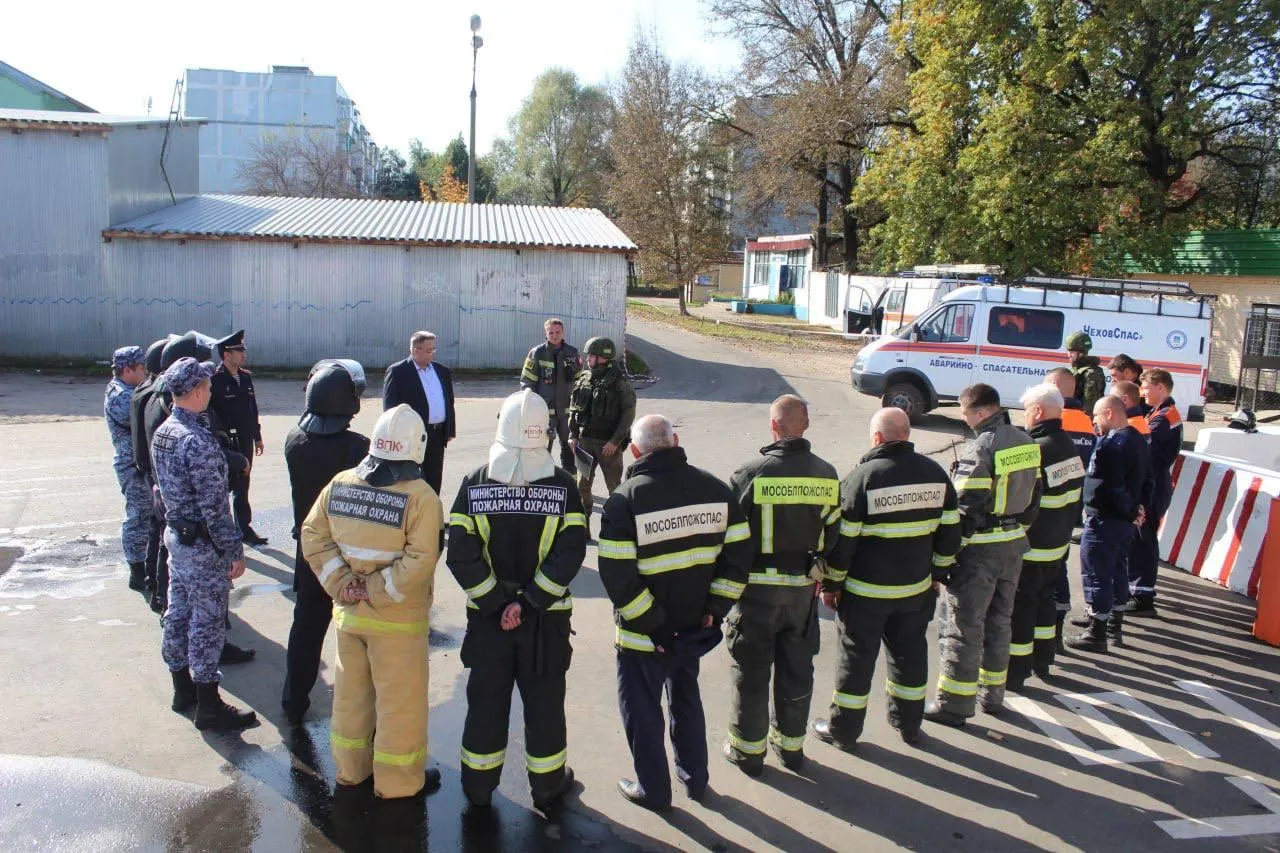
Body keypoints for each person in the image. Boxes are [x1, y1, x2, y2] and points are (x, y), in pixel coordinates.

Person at [598, 414, 752, 811]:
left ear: (634, 450)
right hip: (693, 631)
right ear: (676, 440)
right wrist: (714, 611)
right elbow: (738, 561)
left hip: (643, 638)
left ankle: (654, 790)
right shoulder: (717, 491)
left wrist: (657, 628)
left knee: (642, 712)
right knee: (686, 700)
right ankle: (695, 780)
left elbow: (618, 579)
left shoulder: (623, 501)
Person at [447, 389, 587, 814]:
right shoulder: (564, 487)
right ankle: (547, 787)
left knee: (486, 703)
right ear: (542, 432)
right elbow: (571, 553)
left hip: (489, 623)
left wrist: (496, 604)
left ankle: (478, 787)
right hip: (544, 622)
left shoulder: (475, 482)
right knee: (545, 705)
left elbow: (460, 553)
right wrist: (526, 605)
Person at [302, 403, 444, 802]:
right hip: (397, 623)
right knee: (399, 707)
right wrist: (376, 590)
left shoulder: (342, 483)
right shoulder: (420, 497)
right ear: (415, 446)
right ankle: (397, 785)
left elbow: (313, 535)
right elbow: (420, 559)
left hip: (350, 618)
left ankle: (351, 772)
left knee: (350, 700)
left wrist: (343, 583)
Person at [814, 407, 960, 750]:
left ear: (877, 438)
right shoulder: (935, 474)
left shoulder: (861, 478)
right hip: (915, 591)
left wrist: (832, 585)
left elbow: (842, 544)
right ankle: (909, 725)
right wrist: (937, 575)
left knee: (856, 660)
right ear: (906, 435)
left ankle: (844, 731)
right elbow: (952, 534)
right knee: (910, 656)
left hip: (865, 594)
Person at [722, 395, 841, 775]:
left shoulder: (750, 473)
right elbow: (836, 535)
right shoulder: (826, 474)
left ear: (774, 426)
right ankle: (791, 749)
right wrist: (828, 581)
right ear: (805, 424)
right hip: (802, 594)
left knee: (752, 672)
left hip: (756, 592)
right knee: (797, 669)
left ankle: (747, 753)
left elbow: (729, 537)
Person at [150, 357, 258, 731]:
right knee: (208, 622)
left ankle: (183, 691)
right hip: (201, 546)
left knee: (177, 614)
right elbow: (215, 508)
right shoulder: (197, 442)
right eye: (208, 387)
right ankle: (208, 705)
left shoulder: (165, 431)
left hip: (177, 539)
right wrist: (233, 551)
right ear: (196, 390)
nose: (211, 392)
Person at [925, 384, 1040, 727]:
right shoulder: (1027, 442)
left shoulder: (981, 448)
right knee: (1000, 620)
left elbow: (966, 510)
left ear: (980, 412)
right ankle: (992, 695)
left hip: (980, 550)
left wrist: (945, 556)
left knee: (963, 624)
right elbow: (1035, 498)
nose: (963, 419)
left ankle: (954, 704)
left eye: (963, 412)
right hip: (1013, 544)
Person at [282, 360, 371, 725]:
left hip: (310, 550)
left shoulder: (294, 440)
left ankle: (293, 699)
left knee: (306, 626)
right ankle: (361, 711)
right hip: (350, 554)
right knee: (360, 632)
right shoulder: (357, 448)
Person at [1007, 385, 1084, 690]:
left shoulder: (1034, 450)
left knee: (1022, 609)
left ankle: (1017, 670)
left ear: (1037, 411)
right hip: (1058, 545)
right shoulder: (1068, 445)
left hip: (1032, 547)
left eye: (1026, 411)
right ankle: (1043, 659)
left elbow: (1017, 500)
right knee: (1044, 604)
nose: (1024, 417)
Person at [1068, 396, 1150, 653]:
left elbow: (1113, 485)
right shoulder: (1137, 438)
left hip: (1106, 518)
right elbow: (1148, 479)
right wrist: (1138, 509)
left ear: (1110, 413)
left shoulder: (1114, 443)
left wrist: (1129, 511)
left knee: (1097, 573)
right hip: (1122, 519)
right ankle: (1113, 624)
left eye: (1096, 416)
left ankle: (1097, 631)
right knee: (1116, 572)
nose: (1094, 422)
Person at [1044, 366, 1096, 647]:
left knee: (1048, 571)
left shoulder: (1055, 420)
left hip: (1048, 511)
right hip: (1073, 504)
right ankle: (1057, 623)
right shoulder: (1087, 422)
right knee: (1060, 564)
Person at [1125, 369, 1183, 617]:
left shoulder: (1163, 418)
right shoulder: (1158, 413)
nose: (1142, 392)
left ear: (1160, 387)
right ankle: (1136, 590)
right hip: (1154, 484)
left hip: (1154, 486)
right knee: (1139, 539)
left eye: (1145, 387)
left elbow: (1148, 456)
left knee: (1144, 539)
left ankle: (1143, 595)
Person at [568, 337, 637, 518]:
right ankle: (583, 528)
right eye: (588, 356)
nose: (587, 359)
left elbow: (628, 415)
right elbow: (574, 408)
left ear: (603, 357)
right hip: (584, 443)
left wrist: (615, 442)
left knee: (615, 490)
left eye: (591, 356)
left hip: (608, 446)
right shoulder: (584, 377)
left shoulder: (620, 383)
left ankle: (617, 526)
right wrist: (573, 435)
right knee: (582, 486)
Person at [210, 330, 267, 546]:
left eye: (243, 349)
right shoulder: (214, 380)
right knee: (223, 487)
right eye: (238, 350)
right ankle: (222, 533)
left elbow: (252, 409)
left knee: (243, 486)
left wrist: (257, 436)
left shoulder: (245, 377)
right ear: (226, 354)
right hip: (225, 443)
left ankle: (244, 530)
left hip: (243, 440)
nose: (243, 354)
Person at [382, 331, 456, 494]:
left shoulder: (442, 371)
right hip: (410, 437)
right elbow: (390, 409)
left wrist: (449, 430)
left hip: (436, 435)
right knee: (412, 481)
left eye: (434, 349)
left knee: (434, 479)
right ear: (415, 350)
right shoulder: (398, 372)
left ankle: (432, 512)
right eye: (429, 350)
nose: (433, 354)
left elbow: (449, 402)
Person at [105, 345, 151, 591]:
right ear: (127, 369)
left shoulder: (132, 389)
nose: (145, 372)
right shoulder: (120, 395)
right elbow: (140, 417)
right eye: (141, 368)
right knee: (138, 516)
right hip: (130, 465)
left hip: (138, 462)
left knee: (147, 515)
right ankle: (137, 570)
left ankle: (145, 564)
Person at [132, 336, 172, 595]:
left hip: (148, 470)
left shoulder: (145, 390)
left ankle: (151, 580)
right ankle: (158, 589)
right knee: (163, 537)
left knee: (156, 530)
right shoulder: (156, 397)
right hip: (156, 474)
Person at [520, 318, 582, 472]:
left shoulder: (572, 352)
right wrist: (533, 408)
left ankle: (570, 484)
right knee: (541, 450)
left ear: (563, 332)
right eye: (551, 332)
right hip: (544, 413)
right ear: (545, 333)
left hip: (567, 413)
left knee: (569, 449)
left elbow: (580, 381)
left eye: (557, 332)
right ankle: (542, 484)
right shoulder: (537, 353)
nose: (554, 335)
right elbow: (527, 382)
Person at [1065, 332, 1106, 413]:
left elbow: (1090, 405)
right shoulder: (1075, 370)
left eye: (1072, 352)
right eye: (1068, 351)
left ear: (1081, 353)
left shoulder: (1091, 374)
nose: (1069, 355)